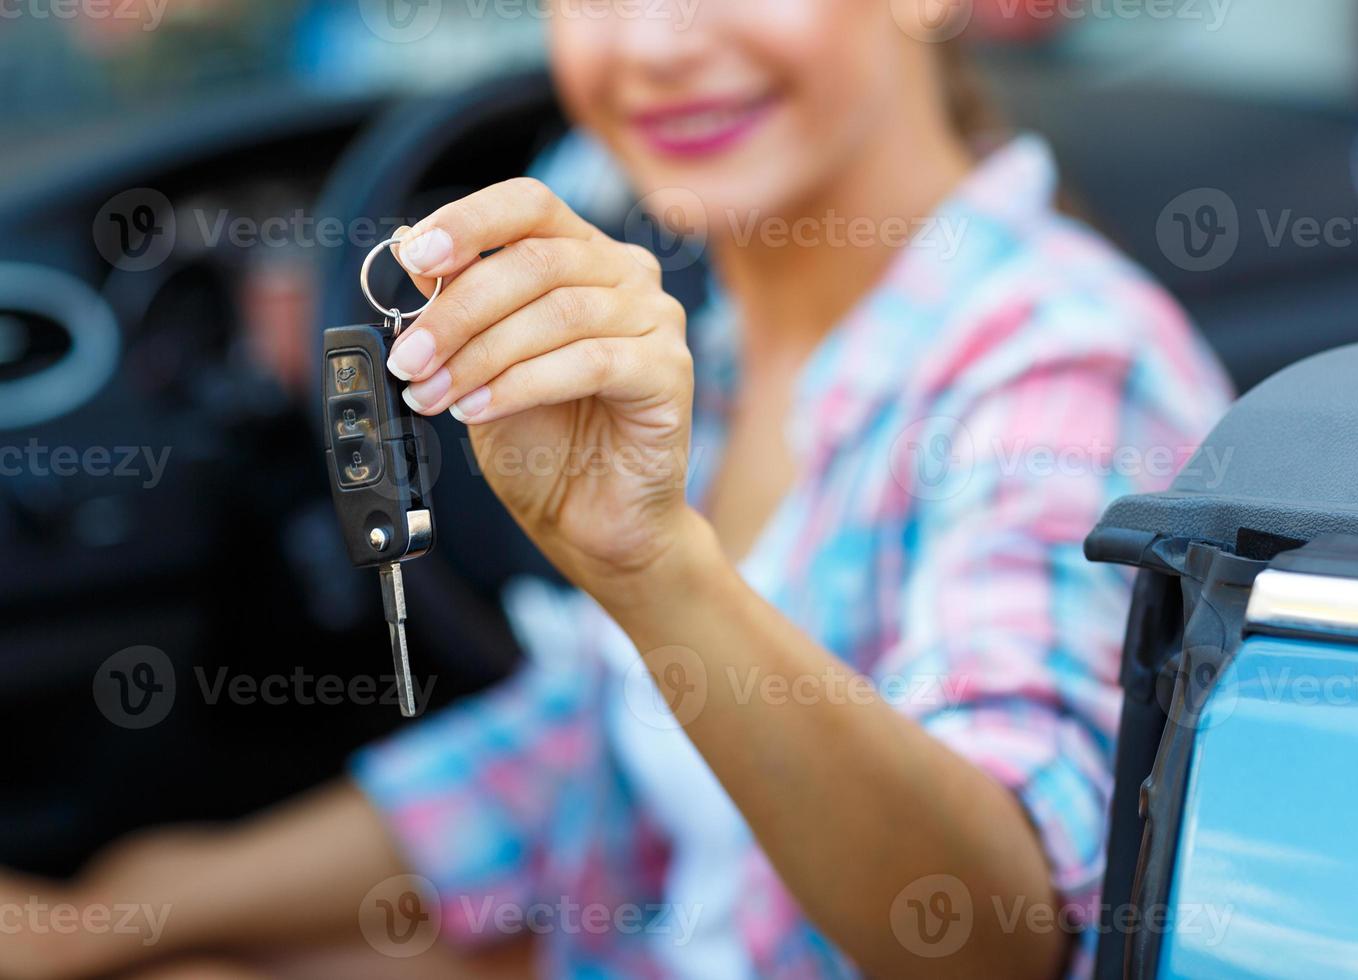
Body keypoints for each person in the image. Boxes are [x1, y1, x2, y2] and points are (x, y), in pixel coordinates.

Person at [0, 2, 1232, 978]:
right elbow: (589, 748)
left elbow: (992, 933)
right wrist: (113, 911)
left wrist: (656, 569)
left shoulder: (1063, 365)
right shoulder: (740, 333)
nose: (654, 43)